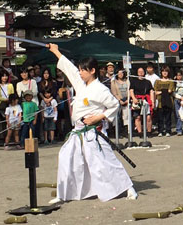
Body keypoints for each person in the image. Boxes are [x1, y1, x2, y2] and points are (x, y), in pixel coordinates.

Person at [46, 43, 137, 203]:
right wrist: (56, 51)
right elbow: (69, 68)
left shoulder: (101, 90)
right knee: (66, 157)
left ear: (92, 71)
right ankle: (63, 194)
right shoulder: (81, 84)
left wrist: (97, 117)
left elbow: (114, 105)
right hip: (78, 131)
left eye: (83, 70)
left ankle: (128, 187)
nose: (79, 73)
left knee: (104, 163)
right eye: (80, 70)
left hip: (94, 132)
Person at [0, 70, 15, 146]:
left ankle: (8, 138)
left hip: (9, 105)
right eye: (3, 76)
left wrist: (10, 100)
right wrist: (4, 99)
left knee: (9, 122)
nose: (4, 77)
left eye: (6, 76)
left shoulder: (10, 85)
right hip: (0, 106)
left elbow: (12, 95)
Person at [130, 66, 153, 136]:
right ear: (137, 73)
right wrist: (133, 98)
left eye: (142, 71)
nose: (140, 73)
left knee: (148, 117)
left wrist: (152, 101)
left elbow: (151, 91)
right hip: (137, 100)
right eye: (139, 72)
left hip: (146, 100)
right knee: (138, 117)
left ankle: (149, 132)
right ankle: (140, 132)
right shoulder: (133, 81)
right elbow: (131, 90)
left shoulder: (148, 82)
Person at [153, 66, 176, 137]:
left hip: (169, 100)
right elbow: (155, 91)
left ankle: (168, 130)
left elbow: (170, 90)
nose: (165, 72)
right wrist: (163, 91)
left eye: (166, 71)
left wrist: (161, 91)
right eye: (163, 71)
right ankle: (160, 130)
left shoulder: (171, 81)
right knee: (160, 117)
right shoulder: (157, 81)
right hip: (160, 101)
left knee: (168, 117)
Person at [110, 68, 131, 134]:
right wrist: (119, 100)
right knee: (117, 116)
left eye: (122, 73)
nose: (120, 74)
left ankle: (126, 132)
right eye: (119, 73)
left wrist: (128, 99)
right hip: (117, 100)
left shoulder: (127, 81)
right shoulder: (113, 82)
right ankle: (117, 132)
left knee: (126, 116)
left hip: (126, 99)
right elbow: (114, 92)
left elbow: (129, 90)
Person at [173, 69, 183, 135]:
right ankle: (179, 129)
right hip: (177, 100)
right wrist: (179, 97)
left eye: (180, 75)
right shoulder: (174, 83)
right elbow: (174, 92)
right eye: (177, 75)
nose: (179, 77)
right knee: (178, 115)